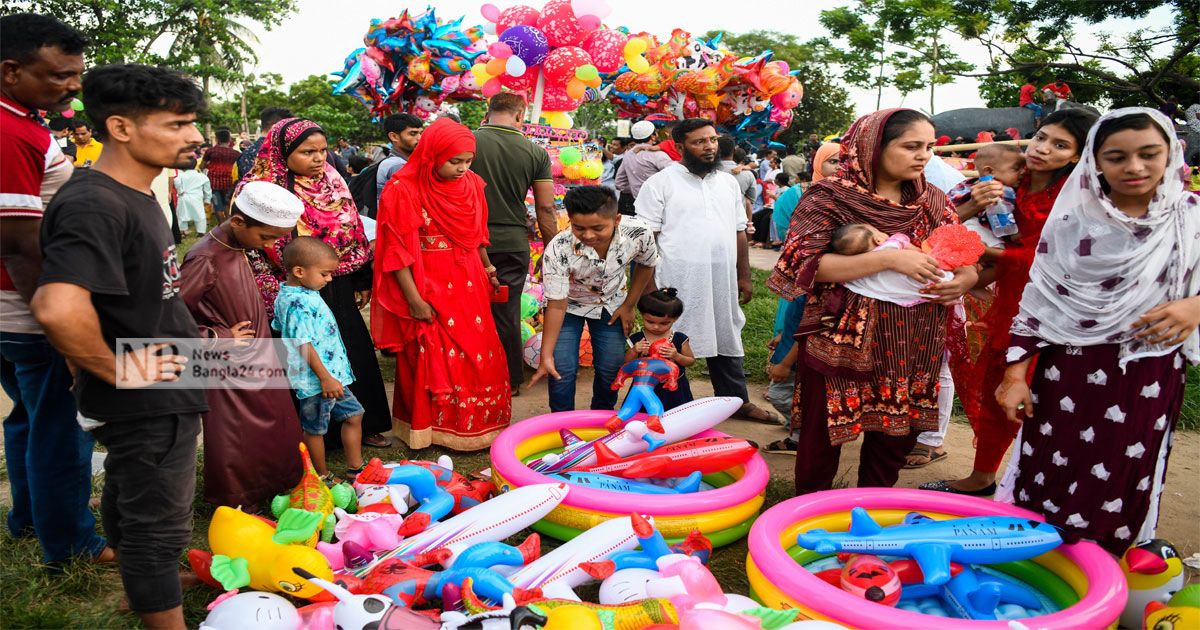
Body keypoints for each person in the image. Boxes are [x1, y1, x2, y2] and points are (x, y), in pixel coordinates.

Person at [32, 63, 209, 629]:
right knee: (159, 520)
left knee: (132, 496)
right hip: (147, 394)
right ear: (121, 127)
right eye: (178, 123)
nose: (195, 136)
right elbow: (58, 306)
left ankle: (142, 588)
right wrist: (111, 367)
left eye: (193, 123)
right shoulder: (94, 202)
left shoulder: (137, 192)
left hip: (162, 378)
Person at [996, 108, 1199, 554]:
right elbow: (1042, 298)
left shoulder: (1190, 219)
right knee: (1051, 465)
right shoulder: (1075, 221)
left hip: (1147, 374)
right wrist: (1014, 377)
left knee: (1126, 470)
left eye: (1149, 154)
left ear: (1171, 153)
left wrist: (1195, 306)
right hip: (1068, 371)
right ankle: (1037, 560)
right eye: (1117, 156)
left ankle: (1106, 567)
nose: (1134, 168)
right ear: (1095, 161)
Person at [768, 108, 978, 494]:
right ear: (872, 147)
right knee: (823, 432)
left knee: (896, 433)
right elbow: (804, 263)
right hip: (841, 338)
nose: (924, 156)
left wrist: (962, 281)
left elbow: (963, 256)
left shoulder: (932, 200)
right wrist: (888, 258)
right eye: (911, 146)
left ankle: (873, 505)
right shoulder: (829, 197)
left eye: (929, 147)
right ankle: (808, 512)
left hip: (913, 339)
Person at [924, 107, 1099, 496]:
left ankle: (1042, 483)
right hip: (1010, 302)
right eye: (1041, 138)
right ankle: (983, 475)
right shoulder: (1007, 181)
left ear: (1075, 156)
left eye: (1060, 145)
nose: (1043, 150)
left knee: (1048, 397)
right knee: (996, 389)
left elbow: (1062, 255)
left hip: (1058, 309)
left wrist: (993, 256)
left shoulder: (1076, 195)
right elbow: (946, 223)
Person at [0, 12, 112, 572]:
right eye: (59, 75)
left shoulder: (23, 120)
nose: (72, 86)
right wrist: (61, 325)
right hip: (25, 310)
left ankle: (27, 518)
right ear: (11, 70)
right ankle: (71, 545)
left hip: (13, 311)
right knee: (62, 431)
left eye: (77, 75)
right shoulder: (12, 132)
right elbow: (20, 245)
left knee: (27, 417)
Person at [234, 117, 393, 449]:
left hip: (334, 282)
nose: (319, 158)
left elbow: (352, 229)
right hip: (286, 288)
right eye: (308, 152)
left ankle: (364, 424)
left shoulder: (332, 180)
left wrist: (360, 276)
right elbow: (249, 245)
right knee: (300, 354)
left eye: (322, 150)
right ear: (282, 151)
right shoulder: (260, 187)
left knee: (348, 347)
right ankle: (308, 433)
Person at [371, 118, 512, 450]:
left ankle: (480, 425)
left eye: (468, 161)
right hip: (427, 282)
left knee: (479, 351)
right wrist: (414, 299)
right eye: (454, 161)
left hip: (470, 281)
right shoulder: (402, 189)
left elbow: (476, 236)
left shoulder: (473, 185)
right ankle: (430, 429)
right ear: (432, 154)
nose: (463, 168)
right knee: (431, 351)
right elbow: (397, 252)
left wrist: (488, 267)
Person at [637, 118, 780, 424]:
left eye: (713, 140)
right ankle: (671, 407)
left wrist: (743, 275)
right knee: (671, 341)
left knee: (726, 336)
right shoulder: (660, 183)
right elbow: (645, 238)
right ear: (679, 147)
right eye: (699, 142)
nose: (709, 147)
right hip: (677, 280)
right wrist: (649, 289)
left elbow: (739, 231)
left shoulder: (728, 182)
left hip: (721, 279)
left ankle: (736, 402)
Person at [179, 181, 304, 506]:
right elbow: (170, 316)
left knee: (274, 425)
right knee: (237, 434)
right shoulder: (205, 257)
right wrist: (219, 338)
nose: (271, 244)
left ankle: (273, 489)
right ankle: (238, 501)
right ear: (238, 222)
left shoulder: (238, 247)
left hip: (259, 355)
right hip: (227, 363)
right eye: (266, 237)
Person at [530, 185, 658, 412]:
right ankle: (561, 424)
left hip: (612, 304)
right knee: (562, 368)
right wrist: (546, 356)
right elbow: (557, 306)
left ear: (616, 219)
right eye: (579, 228)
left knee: (611, 367)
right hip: (568, 307)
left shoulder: (639, 233)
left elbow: (647, 265)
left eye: (598, 228)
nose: (588, 235)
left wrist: (629, 305)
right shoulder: (558, 248)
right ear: (569, 220)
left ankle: (602, 418)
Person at [472, 93, 558, 393]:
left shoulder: (466, 142)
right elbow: (545, 208)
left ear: (488, 110)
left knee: (466, 311)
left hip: (467, 242)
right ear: (520, 115)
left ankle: (470, 377)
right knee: (506, 313)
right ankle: (509, 379)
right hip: (511, 244)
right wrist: (552, 250)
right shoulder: (535, 152)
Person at [273, 237, 364, 479]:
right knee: (315, 429)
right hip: (316, 382)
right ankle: (321, 476)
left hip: (332, 377)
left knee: (354, 414)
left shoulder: (303, 292)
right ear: (299, 271)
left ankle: (357, 470)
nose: (330, 279)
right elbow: (301, 343)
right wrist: (324, 378)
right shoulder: (296, 302)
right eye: (325, 274)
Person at [946, 143, 1025, 254]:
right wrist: (1015, 235)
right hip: (983, 239)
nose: (1023, 172)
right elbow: (1007, 226)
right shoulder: (997, 190)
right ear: (989, 171)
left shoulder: (964, 185)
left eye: (1024, 168)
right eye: (1016, 169)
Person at [626, 288, 694, 411]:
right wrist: (634, 351)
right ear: (642, 314)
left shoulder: (679, 339)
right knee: (642, 418)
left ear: (675, 319)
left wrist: (676, 356)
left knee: (677, 417)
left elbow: (690, 361)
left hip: (674, 389)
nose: (656, 327)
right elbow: (626, 363)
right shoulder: (638, 339)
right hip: (644, 386)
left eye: (664, 323)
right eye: (650, 321)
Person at [615, 120, 673, 215]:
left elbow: (619, 183)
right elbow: (675, 175)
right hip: (660, 206)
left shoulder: (628, 155)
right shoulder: (658, 155)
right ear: (653, 137)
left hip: (637, 204)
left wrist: (636, 188)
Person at [375, 113, 424, 206]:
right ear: (394, 136)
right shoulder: (397, 165)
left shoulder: (401, 162)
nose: (420, 138)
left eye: (420, 133)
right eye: (413, 133)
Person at [236, 105, 292, 181]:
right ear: (275, 127)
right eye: (288, 128)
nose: (291, 132)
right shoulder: (278, 151)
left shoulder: (247, 153)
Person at [718, 136, 756, 229]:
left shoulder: (707, 171)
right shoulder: (748, 174)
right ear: (734, 151)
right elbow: (750, 200)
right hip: (737, 223)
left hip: (714, 222)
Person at [204, 127, 240, 221]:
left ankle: (222, 226)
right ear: (229, 139)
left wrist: (209, 165)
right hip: (229, 183)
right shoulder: (236, 153)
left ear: (217, 139)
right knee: (227, 205)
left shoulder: (210, 151)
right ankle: (229, 225)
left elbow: (202, 166)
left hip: (214, 183)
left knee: (217, 206)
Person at [171, 165, 210, 236]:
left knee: (181, 215)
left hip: (183, 196)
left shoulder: (181, 175)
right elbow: (207, 189)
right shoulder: (202, 176)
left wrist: (180, 191)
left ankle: (182, 231)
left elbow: (176, 180)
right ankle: (201, 231)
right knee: (199, 214)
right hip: (196, 197)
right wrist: (207, 199)